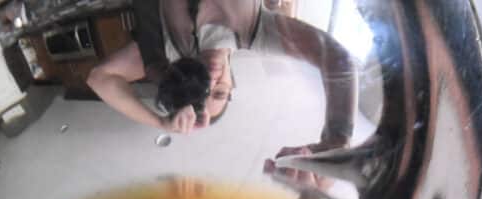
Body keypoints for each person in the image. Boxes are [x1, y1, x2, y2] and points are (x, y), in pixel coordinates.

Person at [87, 0, 358, 142]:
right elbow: (336, 58)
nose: (210, 82)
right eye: (218, 92)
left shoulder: (163, 48)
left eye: (199, 94)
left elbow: (99, 79)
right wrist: (338, 137)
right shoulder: (258, 31)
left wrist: (161, 123)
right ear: (232, 84)